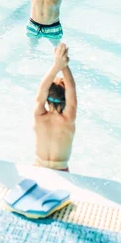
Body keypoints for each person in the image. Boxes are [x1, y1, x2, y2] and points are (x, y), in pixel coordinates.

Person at [33, 43, 77, 171]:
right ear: (66, 100)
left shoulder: (39, 116)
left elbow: (41, 91)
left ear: (46, 98)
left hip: (38, 167)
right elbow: (71, 89)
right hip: (60, 170)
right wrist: (64, 66)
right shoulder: (68, 119)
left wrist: (56, 66)